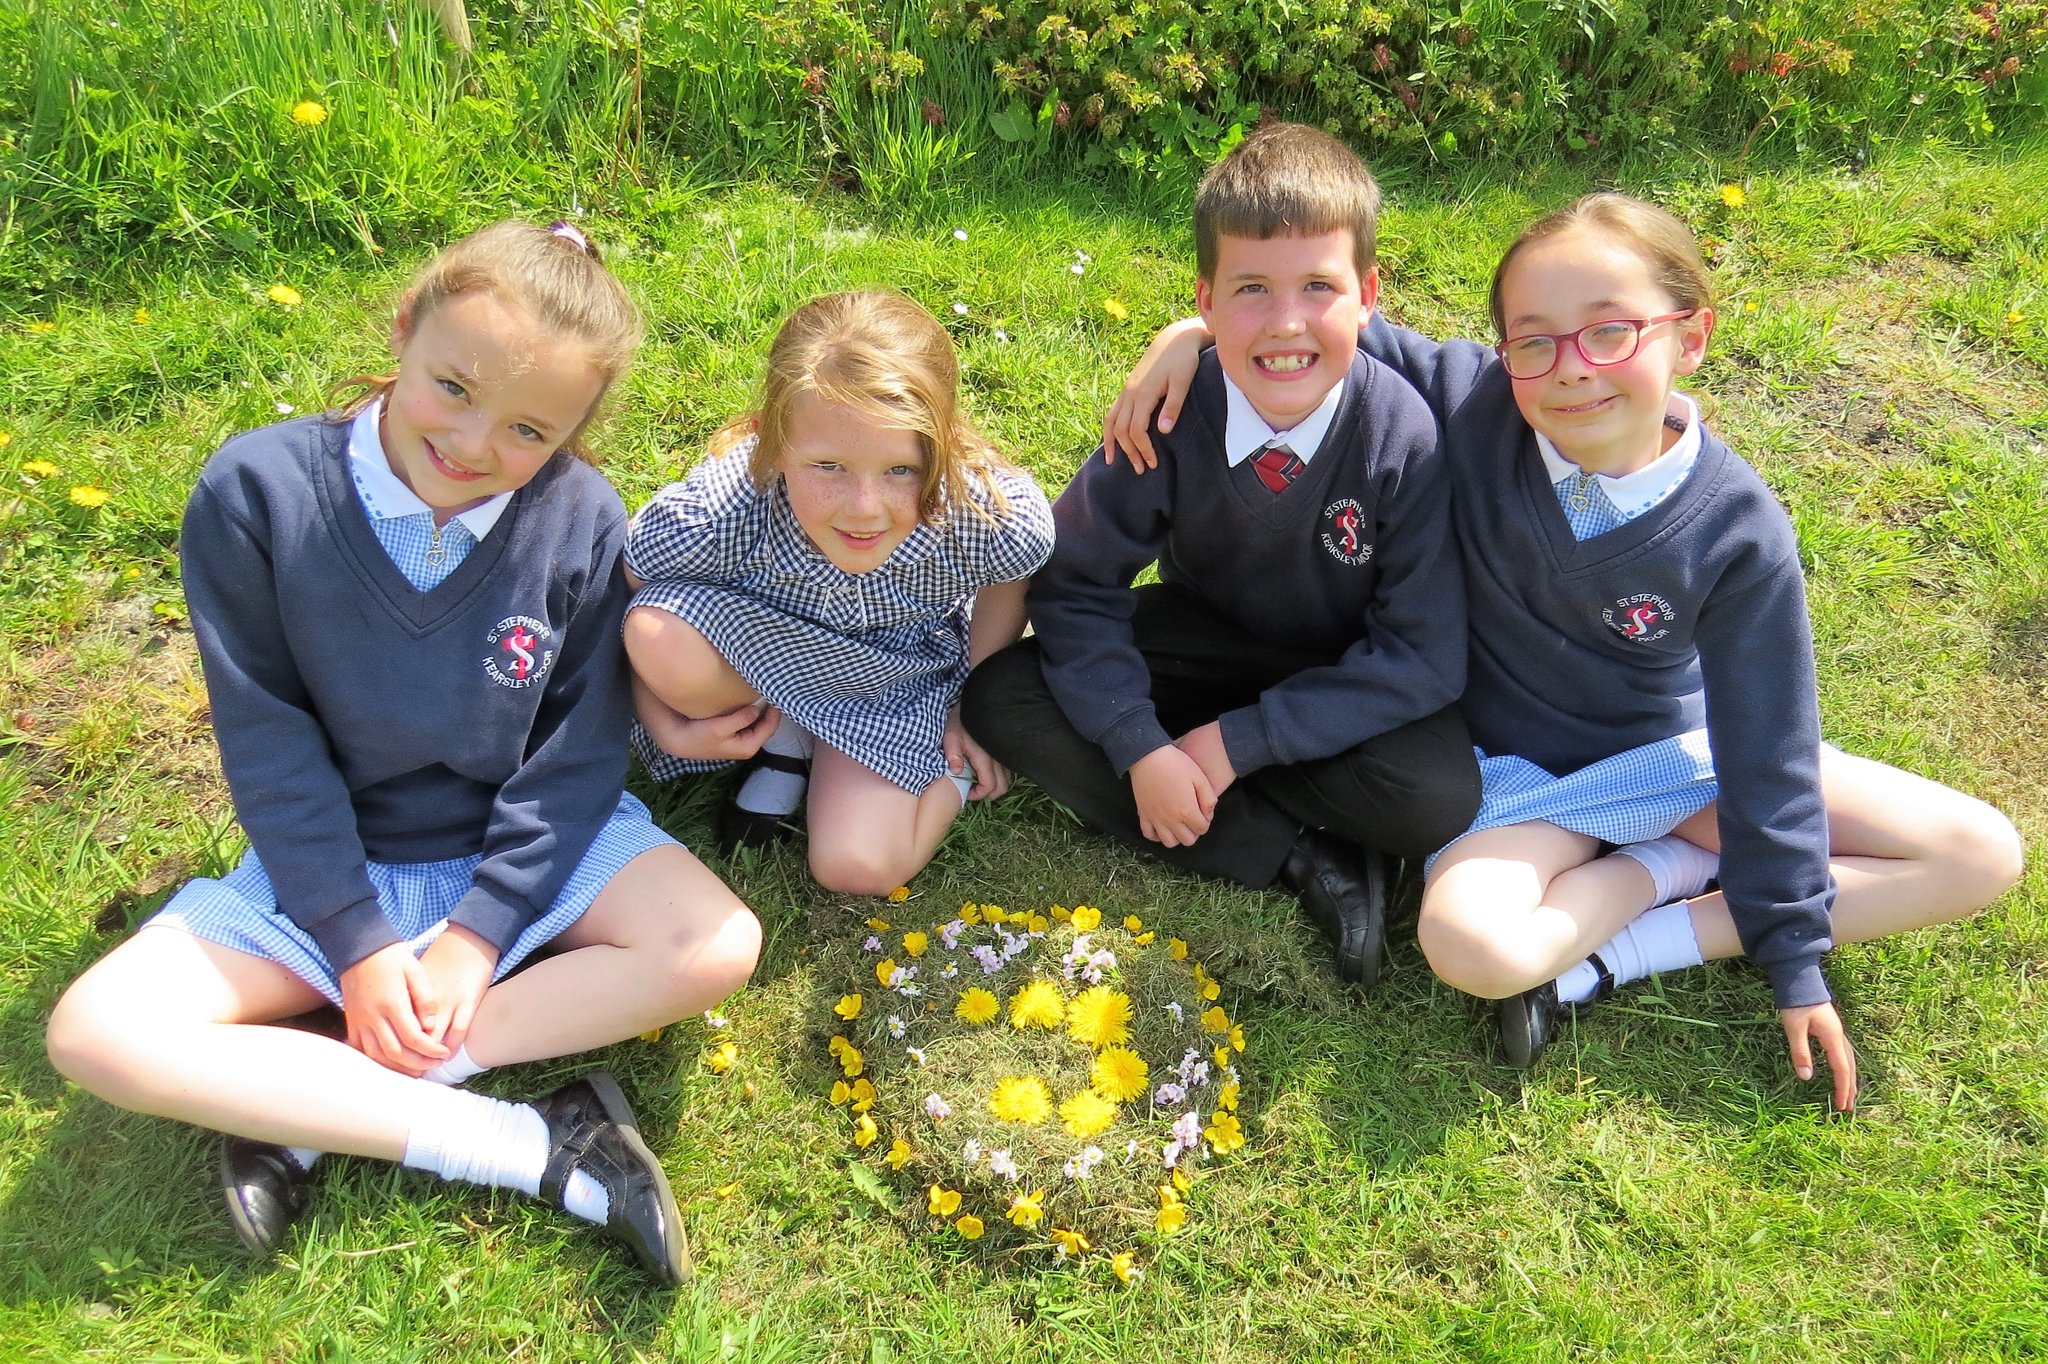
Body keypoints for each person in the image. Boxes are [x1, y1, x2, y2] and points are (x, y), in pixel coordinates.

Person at [1104, 192, 2024, 1110]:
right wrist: (1188, 334)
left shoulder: (1740, 530)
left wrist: (1794, 956)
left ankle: (1627, 940)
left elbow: (1768, 747)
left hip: (1676, 763)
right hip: (1519, 782)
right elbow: (1320, 325)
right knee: (1474, 950)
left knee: (1980, 854)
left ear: (1691, 337)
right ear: (1505, 352)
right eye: (1534, 341)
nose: (1573, 370)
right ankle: (1661, 871)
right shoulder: (1473, 403)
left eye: (1611, 333)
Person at [44, 221, 762, 1284]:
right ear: (403, 328)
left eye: (528, 428)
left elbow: (573, 753)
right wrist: (358, 941)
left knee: (717, 945)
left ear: (572, 432)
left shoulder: (579, 517)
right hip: (327, 864)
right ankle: (536, 1146)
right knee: (94, 1033)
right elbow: (269, 740)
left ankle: (320, 1094)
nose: (475, 444)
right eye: (453, 386)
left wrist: (474, 937)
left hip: (523, 856)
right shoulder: (256, 494)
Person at [963, 123, 1481, 988]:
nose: (1285, 324)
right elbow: (1077, 583)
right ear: (1203, 301)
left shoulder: (1404, 436)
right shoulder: (1168, 413)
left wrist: (1235, 747)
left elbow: (1424, 657)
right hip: (1205, 640)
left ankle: (1248, 791)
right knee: (1003, 695)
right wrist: (1140, 746)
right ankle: (1300, 852)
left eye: (1319, 286)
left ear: (1368, 294)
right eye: (1250, 289)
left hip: (1341, 669)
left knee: (1438, 796)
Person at [623, 290, 1055, 894]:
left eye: (900, 469)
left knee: (858, 866)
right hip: (768, 644)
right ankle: (786, 736)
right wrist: (661, 718)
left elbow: (1011, 575)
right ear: (774, 445)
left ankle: (888, 761)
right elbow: (634, 580)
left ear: (945, 447)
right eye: (827, 466)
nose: (864, 508)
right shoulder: (724, 507)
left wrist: (978, 704)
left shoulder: (983, 513)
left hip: (897, 676)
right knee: (656, 633)